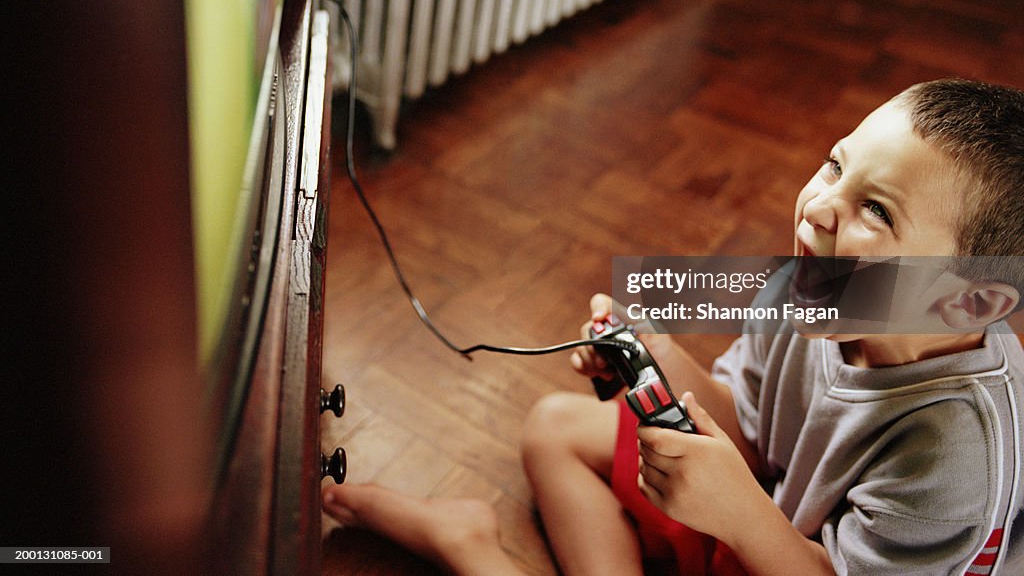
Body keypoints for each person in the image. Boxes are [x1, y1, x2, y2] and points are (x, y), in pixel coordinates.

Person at [322, 78, 1024, 575]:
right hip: (770, 515)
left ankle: (469, 548)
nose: (818, 208)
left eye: (877, 210)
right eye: (835, 165)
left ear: (968, 304)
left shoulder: (955, 459)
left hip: (801, 553)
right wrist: (659, 357)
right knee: (554, 426)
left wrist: (742, 516)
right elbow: (746, 432)